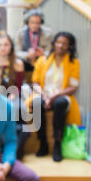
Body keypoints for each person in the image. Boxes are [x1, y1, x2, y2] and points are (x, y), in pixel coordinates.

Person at [29, 31, 81, 161]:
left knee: (60, 103)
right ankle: (43, 143)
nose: (60, 46)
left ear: (69, 46)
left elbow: (73, 87)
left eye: (64, 44)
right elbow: (35, 82)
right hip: (43, 93)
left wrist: (55, 95)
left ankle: (57, 143)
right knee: (36, 103)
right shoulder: (42, 60)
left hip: (62, 95)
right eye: (58, 42)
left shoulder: (73, 63)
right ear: (54, 43)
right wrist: (45, 96)